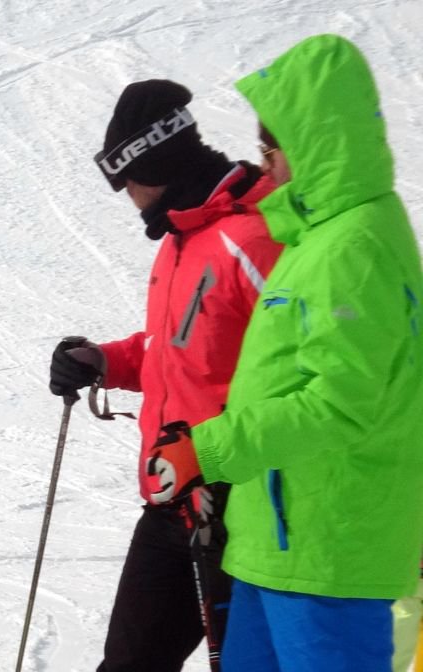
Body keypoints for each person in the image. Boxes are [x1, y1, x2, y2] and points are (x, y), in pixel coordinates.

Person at [143, 34, 423, 671]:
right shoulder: (313, 241)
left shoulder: (357, 246)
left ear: (316, 143)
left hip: (330, 559)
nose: (263, 167)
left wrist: (207, 449)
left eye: (272, 149)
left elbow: (339, 403)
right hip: (276, 546)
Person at [48, 79, 282, 671]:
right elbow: (176, 352)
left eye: (125, 181)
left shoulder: (256, 242)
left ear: (154, 163)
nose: (127, 196)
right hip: (172, 500)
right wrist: (104, 360)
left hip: (238, 507)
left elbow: (304, 372)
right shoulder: (183, 240)